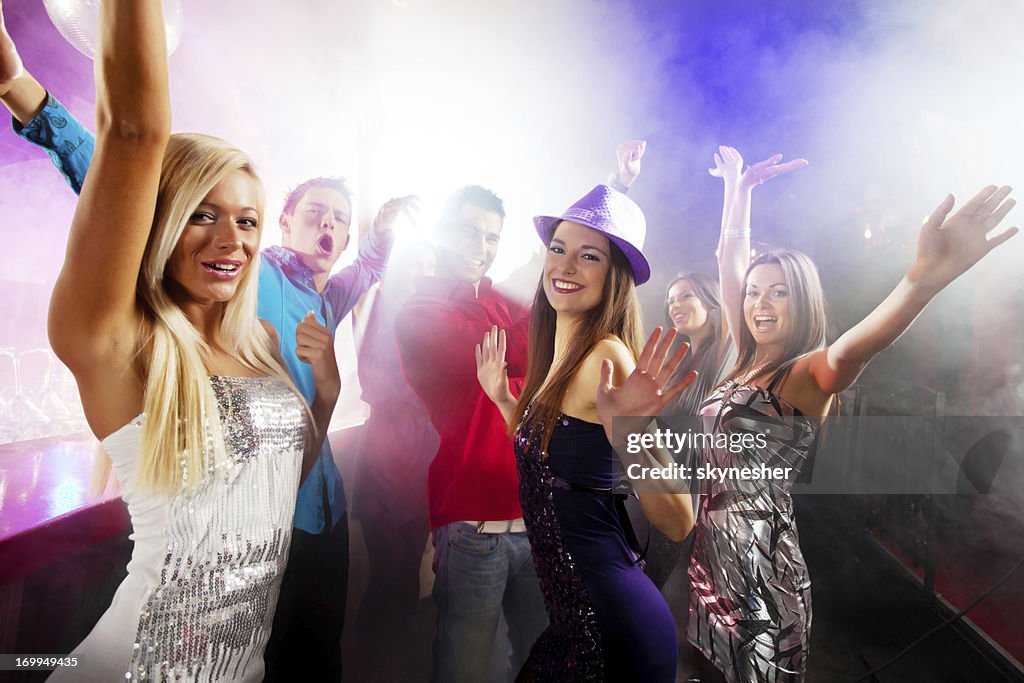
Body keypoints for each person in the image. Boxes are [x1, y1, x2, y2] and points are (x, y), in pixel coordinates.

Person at [0, 11, 405, 677]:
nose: (230, 240)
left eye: (244, 219)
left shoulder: (271, 332)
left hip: (261, 636)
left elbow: (271, 485)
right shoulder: (128, 341)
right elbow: (125, 144)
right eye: (201, 214)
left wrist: (326, 395)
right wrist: (19, 85)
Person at [688, 145, 1017, 682]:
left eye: (778, 293)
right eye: (752, 293)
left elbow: (856, 348)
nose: (759, 303)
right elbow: (730, 263)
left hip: (763, 566)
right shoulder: (742, 359)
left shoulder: (808, 372)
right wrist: (738, 190)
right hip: (712, 553)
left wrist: (924, 279)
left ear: (804, 300)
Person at [394, 143, 643, 682]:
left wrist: (611, 196)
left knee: (542, 664)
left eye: (491, 237)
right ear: (439, 232)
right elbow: (538, 332)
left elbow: (556, 291)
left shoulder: (502, 301)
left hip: (538, 519)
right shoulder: (422, 313)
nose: (480, 247)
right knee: (464, 667)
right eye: (467, 231)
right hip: (473, 525)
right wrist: (561, 297)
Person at [475, 184, 697, 681]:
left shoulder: (605, 356)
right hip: (575, 625)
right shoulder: (560, 352)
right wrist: (507, 401)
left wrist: (629, 436)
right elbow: (552, 459)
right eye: (558, 249)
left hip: (615, 632)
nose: (565, 265)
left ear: (613, 275)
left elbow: (679, 522)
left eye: (588, 256)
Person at [351, 239, 440, 681]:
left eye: (430, 262)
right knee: (388, 576)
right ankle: (371, 660)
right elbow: (377, 385)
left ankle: (395, 659)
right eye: (416, 260)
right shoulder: (382, 311)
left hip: (421, 462)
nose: (424, 269)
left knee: (405, 575)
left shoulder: (431, 315)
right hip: (387, 457)